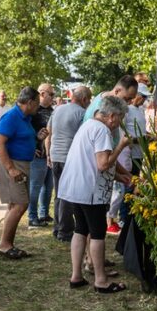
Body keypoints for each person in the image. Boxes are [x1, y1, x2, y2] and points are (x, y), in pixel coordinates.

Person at [59, 95, 131, 293]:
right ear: (112, 116)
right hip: (90, 191)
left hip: (76, 187)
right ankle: (101, 280)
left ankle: (76, 276)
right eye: (120, 118)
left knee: (80, 229)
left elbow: (96, 162)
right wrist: (121, 146)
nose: (120, 123)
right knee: (98, 233)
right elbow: (103, 164)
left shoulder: (88, 125)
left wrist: (123, 176)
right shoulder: (102, 130)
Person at [0, 87, 45, 259]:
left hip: (22, 164)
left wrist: (36, 138)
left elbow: (20, 138)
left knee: (15, 205)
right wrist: (11, 168)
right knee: (20, 204)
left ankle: (7, 244)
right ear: (29, 102)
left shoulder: (25, 117)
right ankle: (4, 245)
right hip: (11, 164)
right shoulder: (11, 117)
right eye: (37, 103)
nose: (38, 106)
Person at [47, 85, 92, 242]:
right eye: (89, 100)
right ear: (84, 99)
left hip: (55, 154)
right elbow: (83, 137)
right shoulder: (82, 113)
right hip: (69, 157)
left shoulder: (57, 109)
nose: (89, 103)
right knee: (67, 195)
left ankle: (57, 227)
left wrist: (48, 153)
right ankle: (65, 231)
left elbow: (49, 131)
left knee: (59, 193)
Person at [107, 83, 150, 235]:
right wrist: (138, 140)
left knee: (132, 185)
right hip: (126, 153)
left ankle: (126, 217)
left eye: (145, 98)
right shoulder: (127, 110)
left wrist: (146, 136)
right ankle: (120, 218)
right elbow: (123, 132)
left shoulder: (141, 110)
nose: (143, 100)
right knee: (124, 187)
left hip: (138, 154)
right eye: (142, 96)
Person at [27, 83, 57, 228]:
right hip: (38, 155)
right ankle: (32, 217)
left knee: (48, 186)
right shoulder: (33, 111)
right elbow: (26, 131)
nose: (53, 97)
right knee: (35, 187)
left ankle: (43, 213)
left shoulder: (53, 111)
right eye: (51, 94)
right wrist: (31, 147)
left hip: (50, 155)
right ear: (42, 94)